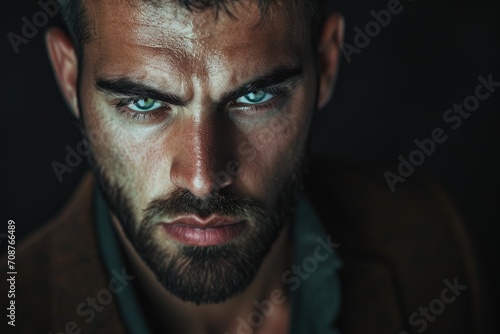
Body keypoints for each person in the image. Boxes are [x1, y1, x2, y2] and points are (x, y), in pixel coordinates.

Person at [2, 0, 483, 333]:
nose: (202, 177)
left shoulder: (431, 235)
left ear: (326, 65)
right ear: (70, 80)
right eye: (145, 103)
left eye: (255, 97)